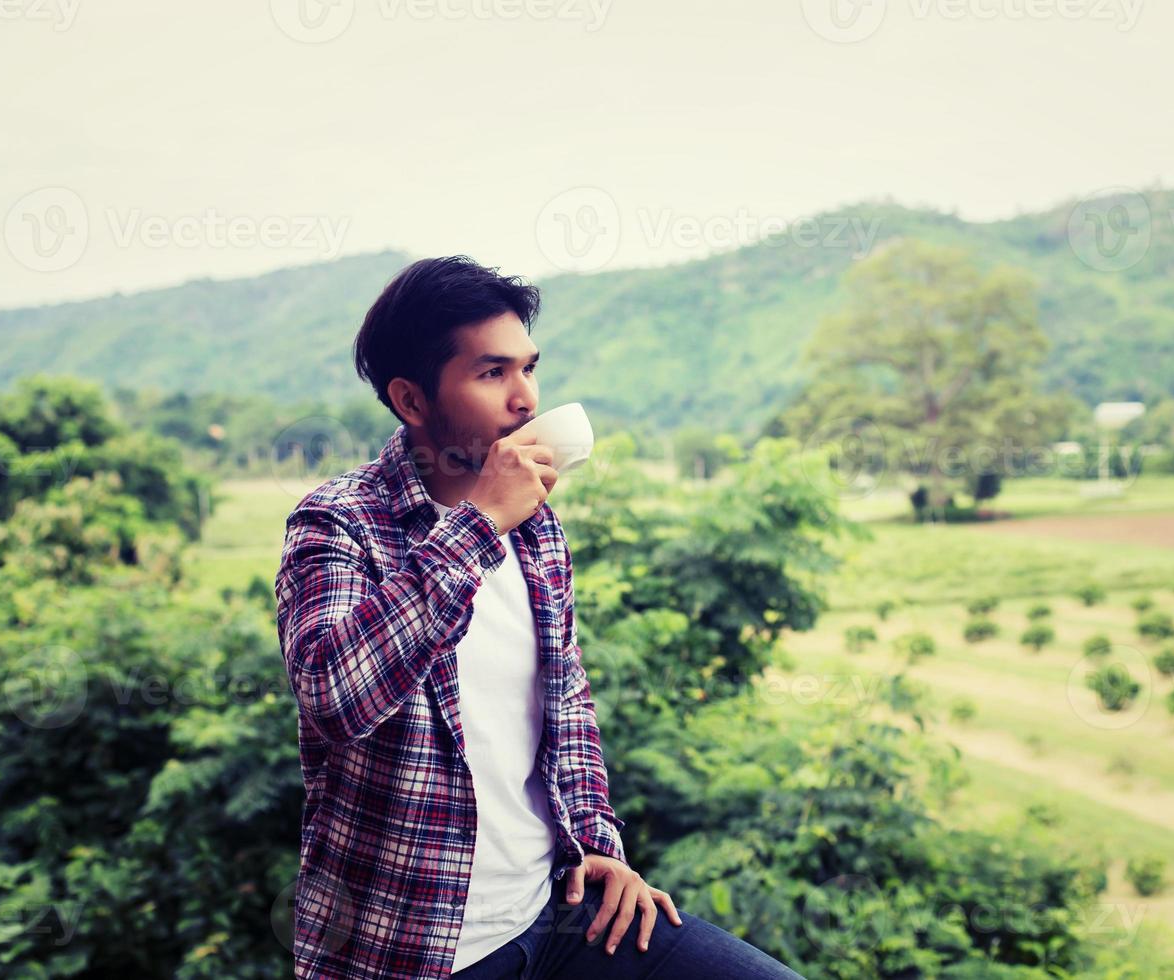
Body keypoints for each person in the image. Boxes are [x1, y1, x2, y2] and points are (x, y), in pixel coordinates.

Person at [274, 256, 806, 979]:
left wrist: (598, 844)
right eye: (492, 374)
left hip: (556, 914)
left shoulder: (536, 526)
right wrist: (480, 521)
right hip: (409, 947)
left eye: (529, 369)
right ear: (411, 400)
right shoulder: (338, 522)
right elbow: (335, 695)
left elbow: (566, 702)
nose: (525, 399)